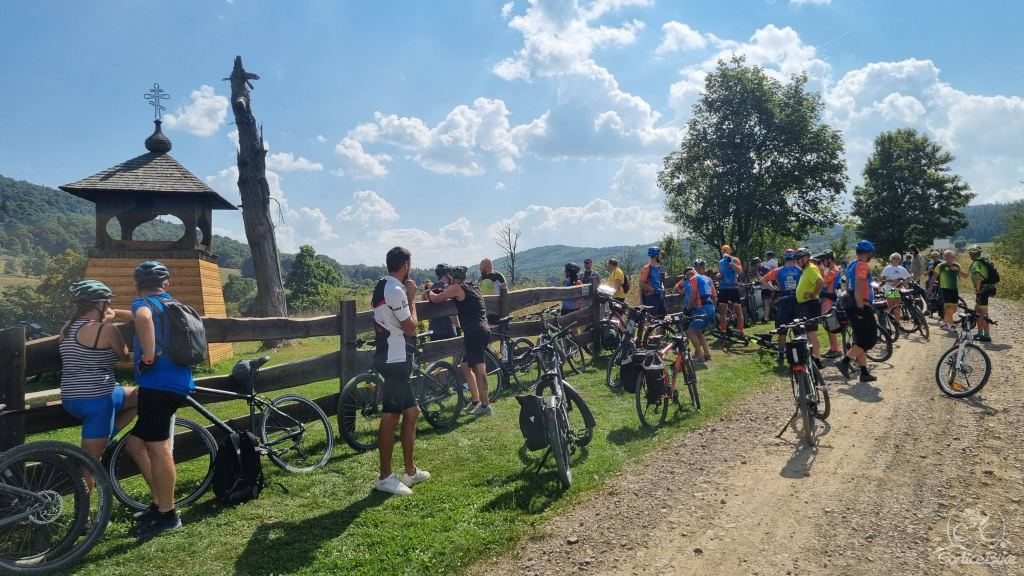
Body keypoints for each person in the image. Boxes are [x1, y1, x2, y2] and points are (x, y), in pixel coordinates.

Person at [126, 261, 193, 536]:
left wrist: (148, 355)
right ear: (166, 285)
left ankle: (168, 514)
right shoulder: (173, 305)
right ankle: (159, 503)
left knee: (159, 448)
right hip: (178, 383)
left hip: (156, 384)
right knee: (135, 443)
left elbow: (142, 318)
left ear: (137, 286)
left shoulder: (142, 304)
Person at [59, 281, 138, 470]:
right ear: (100, 304)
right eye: (108, 303)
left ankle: (105, 437)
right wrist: (111, 319)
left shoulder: (66, 328)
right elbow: (125, 357)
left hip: (70, 398)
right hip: (97, 400)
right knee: (90, 467)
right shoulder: (107, 330)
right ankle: (106, 438)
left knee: (140, 397)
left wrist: (113, 313)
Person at [373, 247, 430, 496]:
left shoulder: (382, 285)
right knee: (391, 417)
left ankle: (409, 470)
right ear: (405, 264)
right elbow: (411, 328)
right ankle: (385, 477)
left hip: (393, 356)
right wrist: (413, 297)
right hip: (395, 358)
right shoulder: (396, 290)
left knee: (412, 411)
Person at [427, 265, 493, 416]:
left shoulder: (457, 288)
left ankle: (486, 406)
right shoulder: (473, 287)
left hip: (474, 331)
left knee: (480, 369)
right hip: (482, 329)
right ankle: (476, 401)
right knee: (465, 367)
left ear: (452, 278)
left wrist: (429, 291)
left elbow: (436, 299)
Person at [838, 241, 878, 382]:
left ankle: (864, 373)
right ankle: (844, 361)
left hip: (851, 305)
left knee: (860, 340)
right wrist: (861, 308)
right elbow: (860, 286)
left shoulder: (852, 264)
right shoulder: (862, 265)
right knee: (870, 339)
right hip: (860, 305)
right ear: (870, 253)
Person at [759, 250, 802, 362]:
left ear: (784, 258)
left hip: (784, 300)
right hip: (798, 300)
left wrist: (773, 289)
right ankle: (800, 353)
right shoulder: (800, 270)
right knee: (798, 329)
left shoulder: (778, 270)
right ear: (794, 258)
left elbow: (763, 280)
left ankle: (781, 355)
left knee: (782, 330)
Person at [674, 267, 714, 362]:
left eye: (686, 276)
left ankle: (699, 355)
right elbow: (714, 294)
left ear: (689, 274)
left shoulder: (693, 279)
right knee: (698, 332)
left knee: (690, 331)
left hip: (701, 308)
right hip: (711, 307)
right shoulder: (706, 278)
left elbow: (692, 296)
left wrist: (688, 308)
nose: (686, 278)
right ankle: (707, 354)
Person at [794, 249, 824, 365]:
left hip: (810, 305)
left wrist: (813, 294)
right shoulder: (806, 270)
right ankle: (814, 358)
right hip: (805, 305)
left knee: (811, 334)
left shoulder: (811, 269)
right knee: (808, 333)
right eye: (796, 259)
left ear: (806, 258)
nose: (797, 261)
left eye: (799, 258)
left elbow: (820, 282)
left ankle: (816, 360)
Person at [817, 251, 844, 358]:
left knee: (830, 326)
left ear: (829, 259)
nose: (822, 263)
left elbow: (823, 283)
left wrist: (819, 271)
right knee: (828, 326)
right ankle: (834, 348)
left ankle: (835, 349)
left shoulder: (834, 271)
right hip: (829, 300)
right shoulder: (833, 270)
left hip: (829, 301)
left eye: (823, 260)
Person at [934, 249, 968, 330]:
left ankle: (945, 323)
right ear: (946, 257)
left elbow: (965, 276)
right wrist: (929, 287)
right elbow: (934, 277)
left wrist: (958, 270)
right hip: (945, 289)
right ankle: (952, 325)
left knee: (954, 309)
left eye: (954, 256)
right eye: (951, 256)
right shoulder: (940, 266)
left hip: (954, 289)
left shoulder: (957, 265)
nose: (953, 258)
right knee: (948, 307)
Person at [425, 264, 460, 341]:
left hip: (434, 331)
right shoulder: (449, 288)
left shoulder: (429, 290)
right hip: (448, 329)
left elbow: (428, 316)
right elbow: (453, 314)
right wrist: (458, 328)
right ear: (447, 274)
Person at [967, 246, 995, 342]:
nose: (969, 255)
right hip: (987, 288)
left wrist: (978, 290)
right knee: (977, 312)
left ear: (972, 254)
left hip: (982, 289)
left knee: (983, 313)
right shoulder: (985, 261)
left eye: (970, 253)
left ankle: (987, 335)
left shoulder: (977, 263)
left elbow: (978, 277)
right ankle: (980, 333)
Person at [715, 245, 745, 334]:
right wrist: (718, 276)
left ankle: (740, 331)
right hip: (723, 288)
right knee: (722, 312)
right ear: (721, 251)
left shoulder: (735, 259)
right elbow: (720, 274)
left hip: (733, 288)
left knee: (738, 310)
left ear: (730, 251)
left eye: (727, 250)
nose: (725, 252)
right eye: (723, 250)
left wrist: (731, 262)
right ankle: (723, 331)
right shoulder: (720, 262)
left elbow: (739, 271)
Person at [640, 247, 667, 316]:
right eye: (660, 254)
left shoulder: (658, 266)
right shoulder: (647, 268)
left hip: (659, 296)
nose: (661, 256)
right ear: (656, 255)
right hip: (651, 297)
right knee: (652, 319)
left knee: (663, 317)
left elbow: (659, 280)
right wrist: (654, 290)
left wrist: (662, 287)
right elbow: (642, 284)